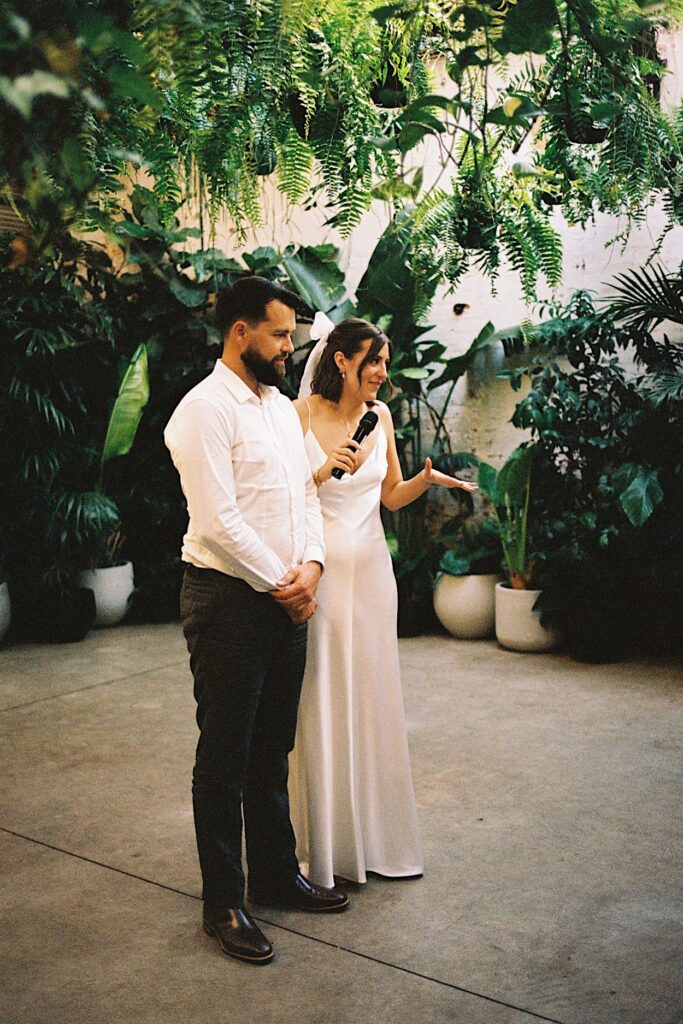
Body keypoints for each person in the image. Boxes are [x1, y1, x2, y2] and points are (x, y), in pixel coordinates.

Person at [164, 278, 349, 967]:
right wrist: (284, 584)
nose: (289, 348)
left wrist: (314, 567)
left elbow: (306, 494)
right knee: (225, 758)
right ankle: (224, 905)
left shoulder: (277, 408)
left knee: (272, 749)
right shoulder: (201, 412)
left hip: (286, 596)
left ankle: (276, 875)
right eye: (278, 335)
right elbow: (218, 522)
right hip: (227, 602)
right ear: (239, 332)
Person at [288, 314, 478, 889]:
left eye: (385, 363)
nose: (381, 373)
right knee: (321, 698)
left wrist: (426, 481)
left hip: (372, 576)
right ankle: (322, 848)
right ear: (341, 360)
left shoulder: (383, 417)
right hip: (320, 572)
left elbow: (390, 497)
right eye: (372, 360)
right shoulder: (298, 416)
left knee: (370, 699)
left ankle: (372, 840)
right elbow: (285, 497)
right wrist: (324, 470)